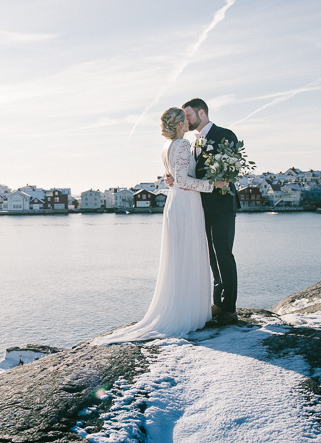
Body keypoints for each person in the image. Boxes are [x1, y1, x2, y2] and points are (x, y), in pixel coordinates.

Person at [93, 108, 225, 344]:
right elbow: (183, 179)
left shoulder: (167, 147)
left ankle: (183, 309)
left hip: (176, 202)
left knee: (180, 258)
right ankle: (188, 314)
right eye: (185, 119)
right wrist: (213, 183)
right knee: (189, 255)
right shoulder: (183, 145)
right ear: (179, 125)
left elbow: (173, 176)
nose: (188, 121)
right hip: (187, 203)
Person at [182, 98, 241, 325]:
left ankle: (230, 308)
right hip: (202, 207)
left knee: (224, 254)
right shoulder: (193, 142)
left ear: (202, 113)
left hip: (223, 205)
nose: (185, 120)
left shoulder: (225, 135)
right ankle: (218, 303)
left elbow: (231, 170)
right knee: (211, 257)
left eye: (188, 116)